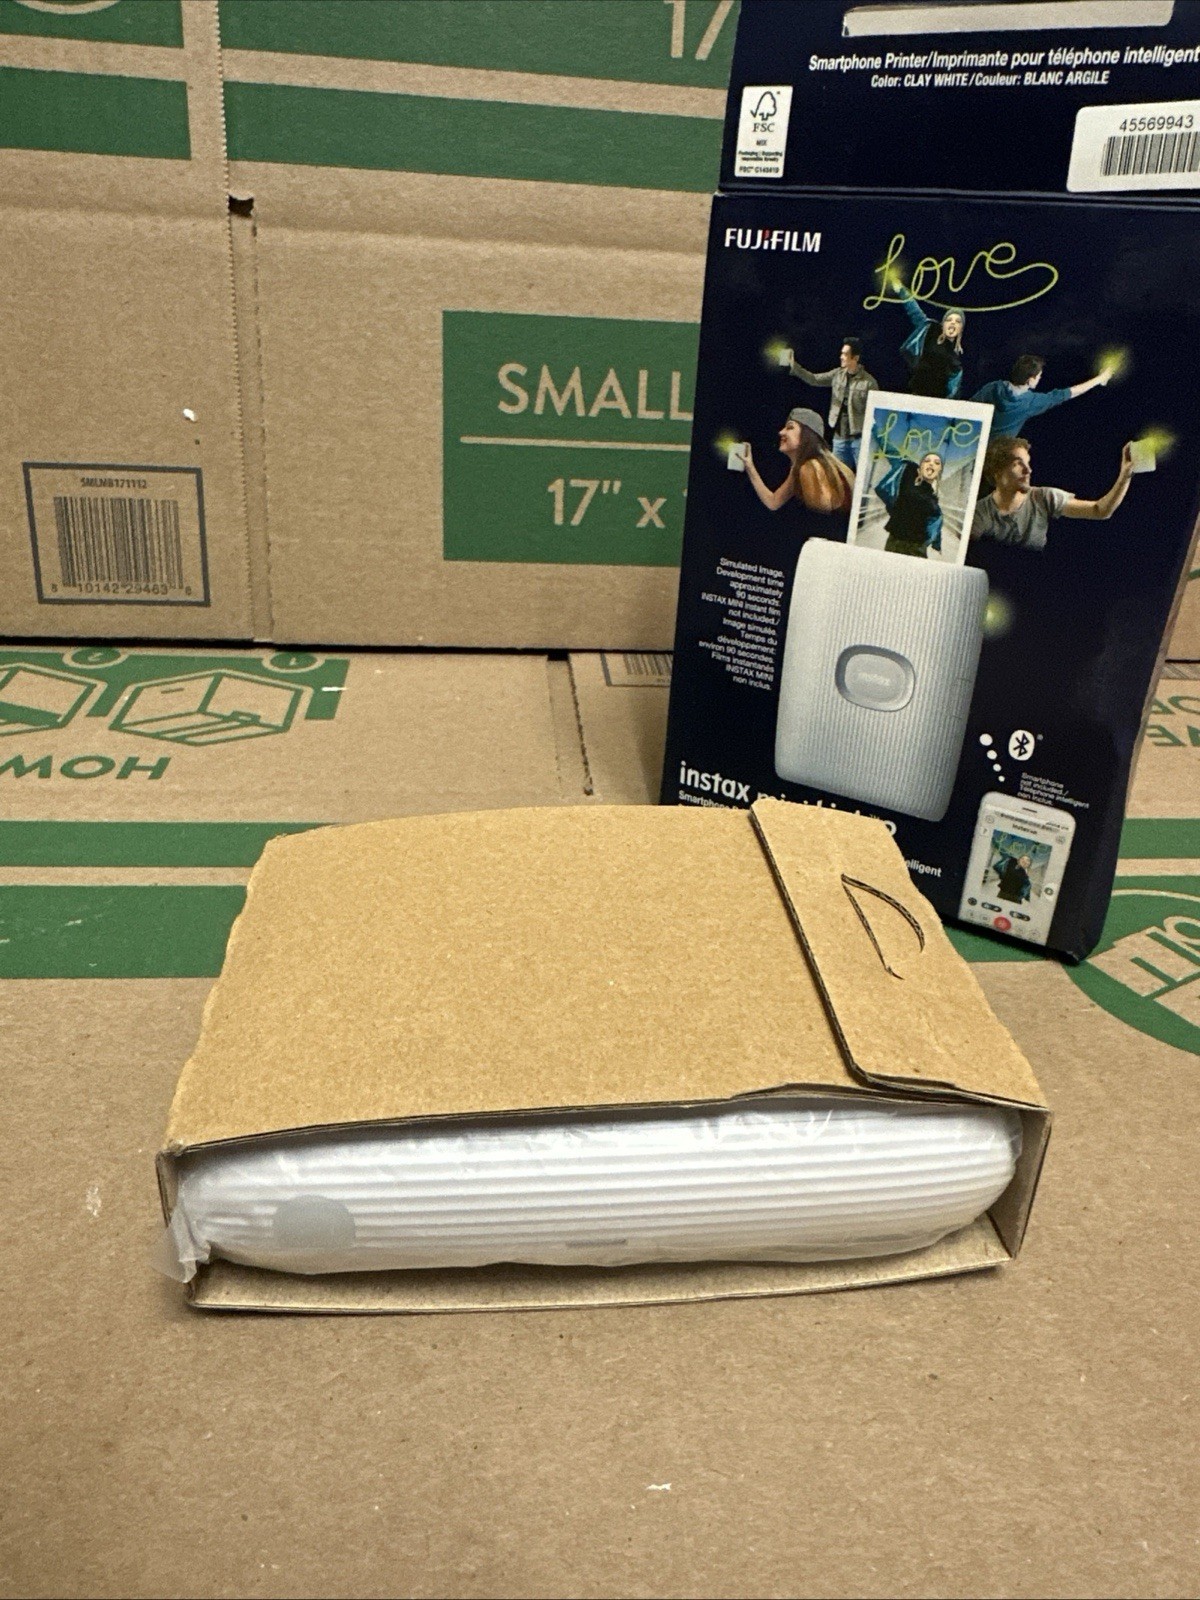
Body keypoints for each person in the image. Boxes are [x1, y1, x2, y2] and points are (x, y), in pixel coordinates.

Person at [971, 434, 1136, 551]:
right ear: (997, 472)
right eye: (1017, 464)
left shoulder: (1043, 497)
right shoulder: (979, 513)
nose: (1028, 470)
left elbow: (1100, 510)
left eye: (1028, 463)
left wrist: (1125, 475)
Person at [787, 338, 878, 471]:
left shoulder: (869, 382)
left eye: (845, 354)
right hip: (839, 438)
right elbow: (814, 379)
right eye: (841, 353)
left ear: (855, 358)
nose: (841, 357)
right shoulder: (837, 375)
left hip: (859, 439)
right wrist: (794, 366)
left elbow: (875, 412)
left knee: (864, 474)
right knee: (839, 476)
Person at [742, 407, 855, 515]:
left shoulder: (810, 466)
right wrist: (749, 466)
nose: (781, 432)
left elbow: (823, 516)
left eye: (790, 428)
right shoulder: (802, 468)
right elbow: (773, 502)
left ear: (806, 435)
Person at [971, 355, 1116, 436]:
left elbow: (969, 407)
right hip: (995, 457)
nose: (1040, 379)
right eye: (1039, 376)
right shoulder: (1030, 402)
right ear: (1030, 380)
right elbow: (1070, 392)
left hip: (970, 446)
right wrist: (1101, 378)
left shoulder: (993, 387)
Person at [897, 289, 965, 398]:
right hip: (915, 391)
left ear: (961, 328)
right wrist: (901, 290)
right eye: (949, 320)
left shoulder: (958, 354)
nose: (953, 323)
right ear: (943, 323)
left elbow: (954, 388)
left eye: (958, 321)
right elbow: (914, 310)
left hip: (938, 400)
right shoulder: (931, 329)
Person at [874, 450, 944, 557]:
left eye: (937, 463)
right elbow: (891, 451)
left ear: (938, 473)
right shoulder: (908, 474)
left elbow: (935, 524)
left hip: (918, 548)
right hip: (895, 543)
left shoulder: (933, 499)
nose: (931, 464)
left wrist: (937, 545)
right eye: (927, 461)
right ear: (919, 468)